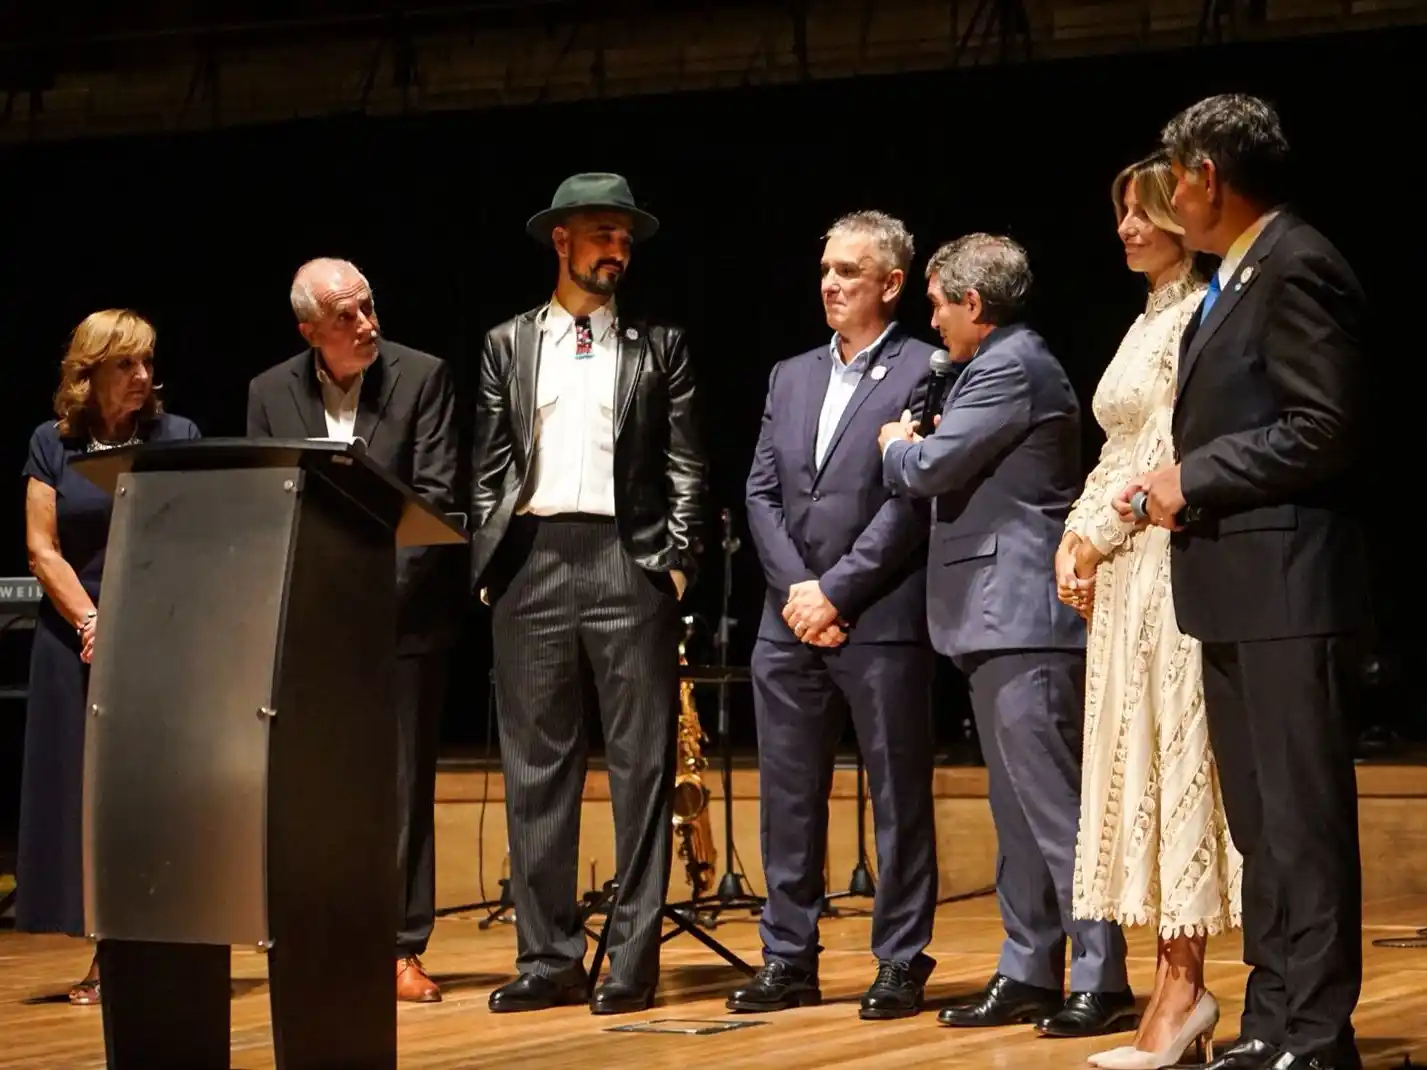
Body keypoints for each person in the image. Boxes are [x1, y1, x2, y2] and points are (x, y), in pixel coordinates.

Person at [1122, 94, 1369, 1070]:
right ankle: (1270, 1020)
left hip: (1287, 584)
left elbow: (1324, 426)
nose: (1168, 196)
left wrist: (1192, 478)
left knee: (1302, 824)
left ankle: (1315, 1033)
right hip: (1233, 585)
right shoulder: (1235, 275)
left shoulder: (1297, 263)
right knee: (1263, 830)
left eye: (1172, 176)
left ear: (1205, 176)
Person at [879, 234, 1134, 1038]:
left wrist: (896, 446)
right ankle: (1028, 967)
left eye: (936, 305)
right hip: (991, 616)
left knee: (1054, 806)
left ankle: (1100, 976)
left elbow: (930, 469)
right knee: (1016, 810)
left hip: (1023, 613)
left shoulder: (1010, 366)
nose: (931, 321)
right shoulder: (987, 366)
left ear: (972, 304)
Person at [469, 173, 707, 1016]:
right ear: (560, 240)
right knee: (536, 769)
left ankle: (631, 959)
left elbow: (685, 462)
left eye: (625, 239)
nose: (617, 250)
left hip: (625, 559)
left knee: (642, 767)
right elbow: (489, 464)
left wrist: (673, 566)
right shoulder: (508, 342)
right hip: (532, 560)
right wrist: (491, 566)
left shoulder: (658, 345)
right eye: (602, 234)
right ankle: (548, 958)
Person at [1054, 151, 1242, 1070]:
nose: (1126, 228)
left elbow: (1166, 448)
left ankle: (1181, 991)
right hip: (1127, 577)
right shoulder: (1143, 322)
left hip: (1168, 562)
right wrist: (1073, 536)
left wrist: (1096, 533)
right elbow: (1115, 447)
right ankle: (1173, 995)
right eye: (1120, 212)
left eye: (1143, 211)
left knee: (1173, 769)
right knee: (1135, 770)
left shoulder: (1198, 314)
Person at [729, 211, 939, 1021]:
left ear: (891, 284)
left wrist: (835, 592)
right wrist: (797, 591)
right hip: (788, 620)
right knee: (787, 796)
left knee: (897, 794)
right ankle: (787, 957)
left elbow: (909, 501)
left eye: (848, 271)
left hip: (877, 617)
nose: (829, 283)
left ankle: (899, 960)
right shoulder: (789, 375)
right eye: (825, 269)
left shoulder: (926, 369)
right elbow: (760, 492)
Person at [246, 258, 461, 1004]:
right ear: (310, 331)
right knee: (315, 789)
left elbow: (435, 503)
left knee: (401, 788)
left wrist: (369, 604)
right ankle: (324, 939)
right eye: (347, 316)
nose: (367, 324)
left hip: (401, 621)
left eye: (368, 306)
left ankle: (400, 948)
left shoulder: (422, 377)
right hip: (309, 629)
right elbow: (267, 507)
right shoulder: (269, 392)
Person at [18, 309, 201, 1005]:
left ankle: (152, 947)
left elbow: (188, 541)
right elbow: (42, 549)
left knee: (146, 798)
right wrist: (93, 620)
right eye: (126, 364)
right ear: (88, 372)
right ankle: (104, 950)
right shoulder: (52, 443)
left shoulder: (176, 437)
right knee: (84, 798)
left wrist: (129, 625)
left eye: (148, 362)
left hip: (155, 636)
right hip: (73, 638)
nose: (142, 376)